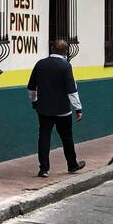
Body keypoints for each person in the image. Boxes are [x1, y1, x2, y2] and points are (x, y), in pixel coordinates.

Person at [27, 39, 86, 178]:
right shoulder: (65, 66)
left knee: (44, 137)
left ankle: (44, 169)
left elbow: (31, 87)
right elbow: (72, 90)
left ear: (52, 49)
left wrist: (35, 101)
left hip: (44, 110)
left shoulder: (40, 64)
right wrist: (78, 109)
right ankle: (72, 165)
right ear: (66, 52)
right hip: (63, 110)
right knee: (67, 137)